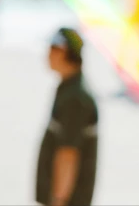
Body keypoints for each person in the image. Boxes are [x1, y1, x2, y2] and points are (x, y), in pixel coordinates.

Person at [36, 28, 98, 206]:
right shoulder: (69, 88)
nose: (47, 54)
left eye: (52, 49)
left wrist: (58, 199)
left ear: (64, 52)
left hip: (69, 199)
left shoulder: (75, 98)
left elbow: (68, 154)